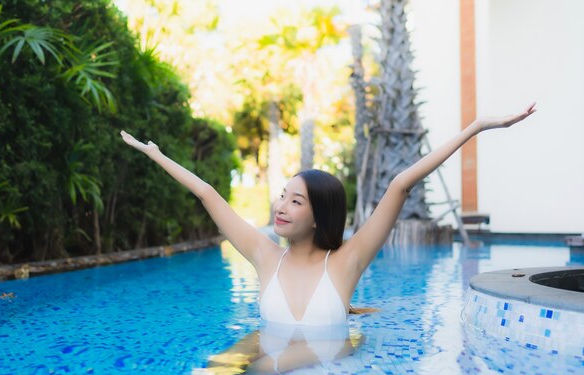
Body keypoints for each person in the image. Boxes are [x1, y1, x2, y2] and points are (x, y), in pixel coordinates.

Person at [121, 103, 536, 327]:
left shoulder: (346, 263)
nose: (281, 206)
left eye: (296, 201)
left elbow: (399, 186)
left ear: (320, 216)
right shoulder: (264, 255)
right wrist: (156, 155)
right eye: (282, 196)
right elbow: (207, 193)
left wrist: (475, 127)